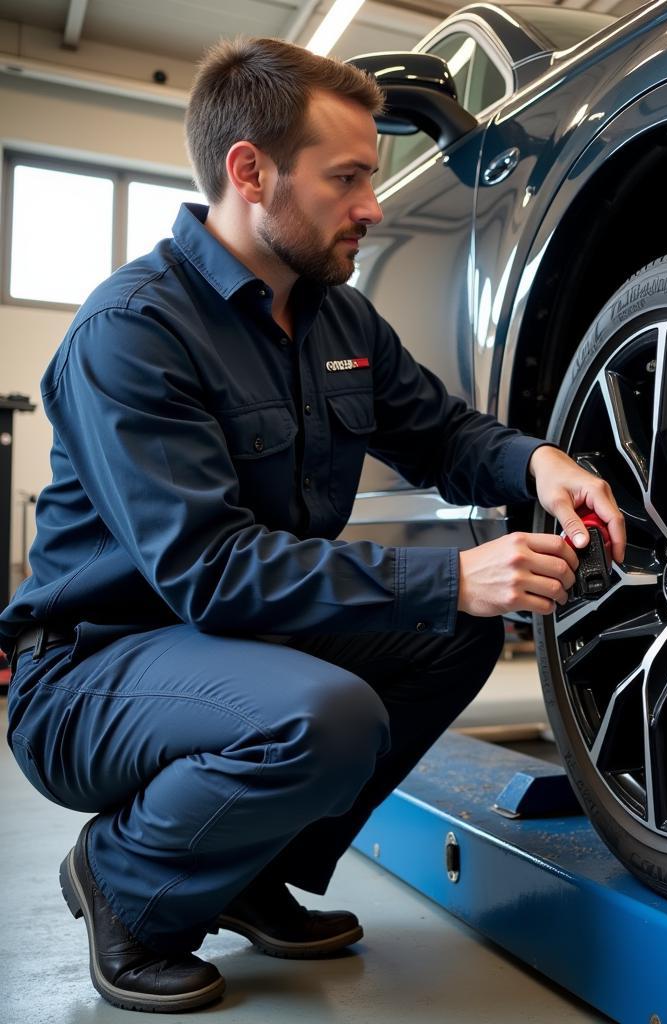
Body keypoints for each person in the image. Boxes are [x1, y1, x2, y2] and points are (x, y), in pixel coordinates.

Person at [0, 36, 625, 1014]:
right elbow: (210, 570)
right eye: (346, 179)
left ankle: (246, 870)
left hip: (229, 638)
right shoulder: (133, 333)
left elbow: (443, 432)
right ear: (249, 172)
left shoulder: (336, 319)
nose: (373, 206)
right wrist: (453, 577)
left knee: (448, 629)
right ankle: (123, 879)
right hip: (92, 667)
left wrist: (540, 463)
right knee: (328, 717)